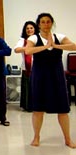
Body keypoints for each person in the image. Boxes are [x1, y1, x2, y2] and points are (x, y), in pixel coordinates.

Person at [25, 13, 76, 148]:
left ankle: (68, 139)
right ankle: (36, 137)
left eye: (48, 22)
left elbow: (74, 46)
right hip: (39, 76)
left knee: (63, 109)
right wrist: (45, 46)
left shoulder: (59, 37)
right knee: (38, 109)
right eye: (43, 22)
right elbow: (28, 51)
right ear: (39, 24)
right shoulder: (34, 37)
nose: (46, 24)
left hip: (57, 76)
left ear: (52, 23)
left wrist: (56, 46)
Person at [13, 21, 38, 112]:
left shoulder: (39, 39)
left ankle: (40, 106)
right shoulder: (22, 40)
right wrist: (28, 48)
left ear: (35, 29)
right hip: (27, 68)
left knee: (39, 87)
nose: (29, 30)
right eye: (27, 28)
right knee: (28, 88)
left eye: (31, 28)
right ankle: (29, 106)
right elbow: (16, 49)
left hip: (39, 68)